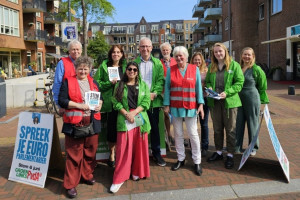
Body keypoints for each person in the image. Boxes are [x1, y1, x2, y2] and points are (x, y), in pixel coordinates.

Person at [58, 56, 102, 198]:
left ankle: (87, 174)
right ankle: (70, 184)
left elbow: (99, 98)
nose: (83, 71)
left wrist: (100, 103)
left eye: (85, 68)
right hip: (74, 124)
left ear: (89, 69)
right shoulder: (68, 82)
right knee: (73, 155)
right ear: (76, 69)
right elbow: (62, 100)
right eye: (80, 68)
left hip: (92, 122)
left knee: (90, 152)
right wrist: (79, 105)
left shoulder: (93, 82)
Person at [110, 62, 151, 193]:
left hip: (139, 118)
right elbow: (115, 101)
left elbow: (146, 102)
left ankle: (136, 171)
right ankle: (120, 178)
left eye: (134, 69)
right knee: (123, 149)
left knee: (139, 147)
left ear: (137, 72)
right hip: (124, 119)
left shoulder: (143, 85)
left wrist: (133, 113)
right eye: (129, 69)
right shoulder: (119, 85)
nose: (132, 71)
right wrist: (126, 113)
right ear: (126, 71)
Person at [163, 46, 204, 176]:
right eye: (177, 56)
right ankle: (181, 159)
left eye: (182, 55)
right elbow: (167, 88)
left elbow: (198, 88)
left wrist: (201, 104)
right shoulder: (171, 70)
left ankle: (197, 161)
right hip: (175, 107)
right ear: (174, 57)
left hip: (191, 106)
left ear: (186, 56)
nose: (179, 58)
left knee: (193, 134)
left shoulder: (194, 69)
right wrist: (166, 104)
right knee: (178, 134)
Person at [206, 43, 244, 169]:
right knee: (217, 129)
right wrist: (209, 87)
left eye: (220, 51)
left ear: (225, 51)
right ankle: (218, 152)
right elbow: (207, 81)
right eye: (216, 52)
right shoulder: (212, 66)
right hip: (215, 102)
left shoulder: (234, 65)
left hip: (230, 102)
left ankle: (230, 155)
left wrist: (227, 92)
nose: (218, 54)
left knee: (230, 130)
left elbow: (239, 83)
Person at [134, 37, 166, 167]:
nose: (145, 49)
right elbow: (132, 80)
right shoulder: (134, 63)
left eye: (147, 46)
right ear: (139, 48)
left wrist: (155, 93)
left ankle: (156, 153)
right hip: (138, 104)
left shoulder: (158, 63)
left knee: (154, 129)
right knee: (139, 128)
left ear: (152, 48)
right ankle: (140, 155)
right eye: (142, 46)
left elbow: (160, 80)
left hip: (153, 103)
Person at [94, 45, 127, 167]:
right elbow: (96, 83)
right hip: (110, 103)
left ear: (122, 54)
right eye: (114, 52)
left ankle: (121, 153)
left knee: (122, 128)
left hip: (123, 102)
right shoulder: (104, 66)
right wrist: (109, 83)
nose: (116, 54)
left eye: (118, 52)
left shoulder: (125, 66)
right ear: (110, 54)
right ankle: (112, 154)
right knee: (112, 129)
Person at [235, 47, 269, 156]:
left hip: (252, 99)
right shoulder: (238, 68)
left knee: (252, 123)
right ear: (241, 56)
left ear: (253, 56)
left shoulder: (256, 69)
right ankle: (237, 146)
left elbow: (262, 86)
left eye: (249, 55)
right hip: (239, 100)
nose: (246, 56)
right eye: (245, 54)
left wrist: (262, 102)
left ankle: (253, 146)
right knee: (238, 123)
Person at [190, 52, 210, 157]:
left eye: (199, 60)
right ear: (192, 60)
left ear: (202, 61)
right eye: (195, 60)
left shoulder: (206, 71)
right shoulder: (189, 70)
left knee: (204, 124)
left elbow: (210, 82)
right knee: (192, 124)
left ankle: (204, 146)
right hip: (192, 100)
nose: (197, 61)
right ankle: (193, 146)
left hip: (204, 99)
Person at [53, 40, 82, 105]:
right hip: (67, 101)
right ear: (69, 51)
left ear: (81, 51)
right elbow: (57, 83)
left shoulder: (85, 63)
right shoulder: (62, 63)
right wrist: (58, 103)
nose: (76, 52)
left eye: (78, 49)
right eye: (73, 49)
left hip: (82, 101)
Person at [160, 42, 177, 145]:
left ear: (170, 51)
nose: (165, 52)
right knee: (165, 114)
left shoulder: (176, 61)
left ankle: (176, 135)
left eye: (167, 50)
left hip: (175, 92)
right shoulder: (158, 63)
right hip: (163, 92)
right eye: (163, 50)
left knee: (175, 115)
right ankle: (168, 134)